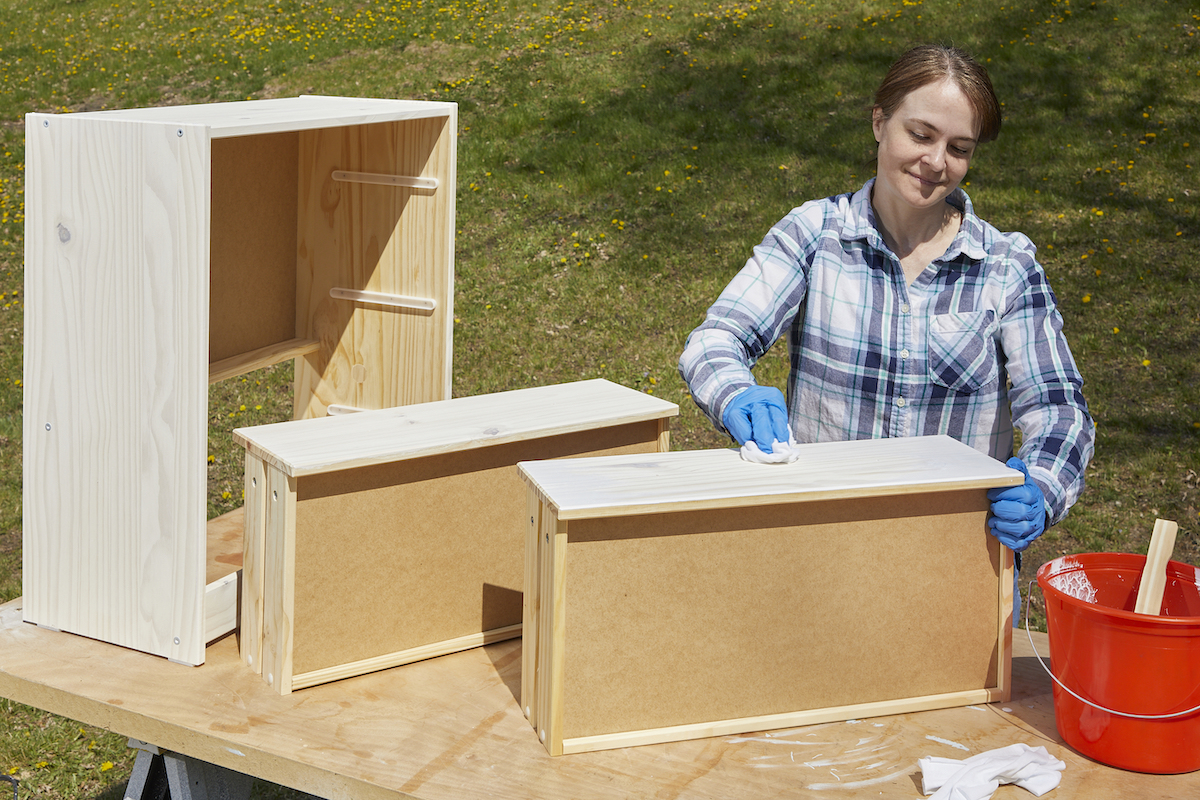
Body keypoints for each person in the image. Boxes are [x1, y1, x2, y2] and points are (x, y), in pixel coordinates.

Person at [677, 44, 1094, 603]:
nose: (936, 161)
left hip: (956, 566)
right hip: (816, 556)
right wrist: (735, 396)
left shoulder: (1007, 267)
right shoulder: (814, 236)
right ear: (880, 122)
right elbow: (716, 340)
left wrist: (1042, 489)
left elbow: (1059, 409)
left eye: (959, 147)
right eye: (920, 135)